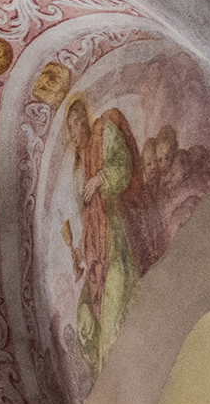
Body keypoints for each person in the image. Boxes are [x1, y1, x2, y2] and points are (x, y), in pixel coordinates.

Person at [62, 96, 157, 373]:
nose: (74, 131)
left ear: (86, 121)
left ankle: (119, 374)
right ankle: (104, 379)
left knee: (114, 308)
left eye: (78, 123)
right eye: (70, 127)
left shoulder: (104, 132)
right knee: (87, 319)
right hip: (95, 247)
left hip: (115, 235)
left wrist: (101, 178)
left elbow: (123, 166)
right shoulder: (77, 168)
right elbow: (85, 218)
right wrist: (79, 252)